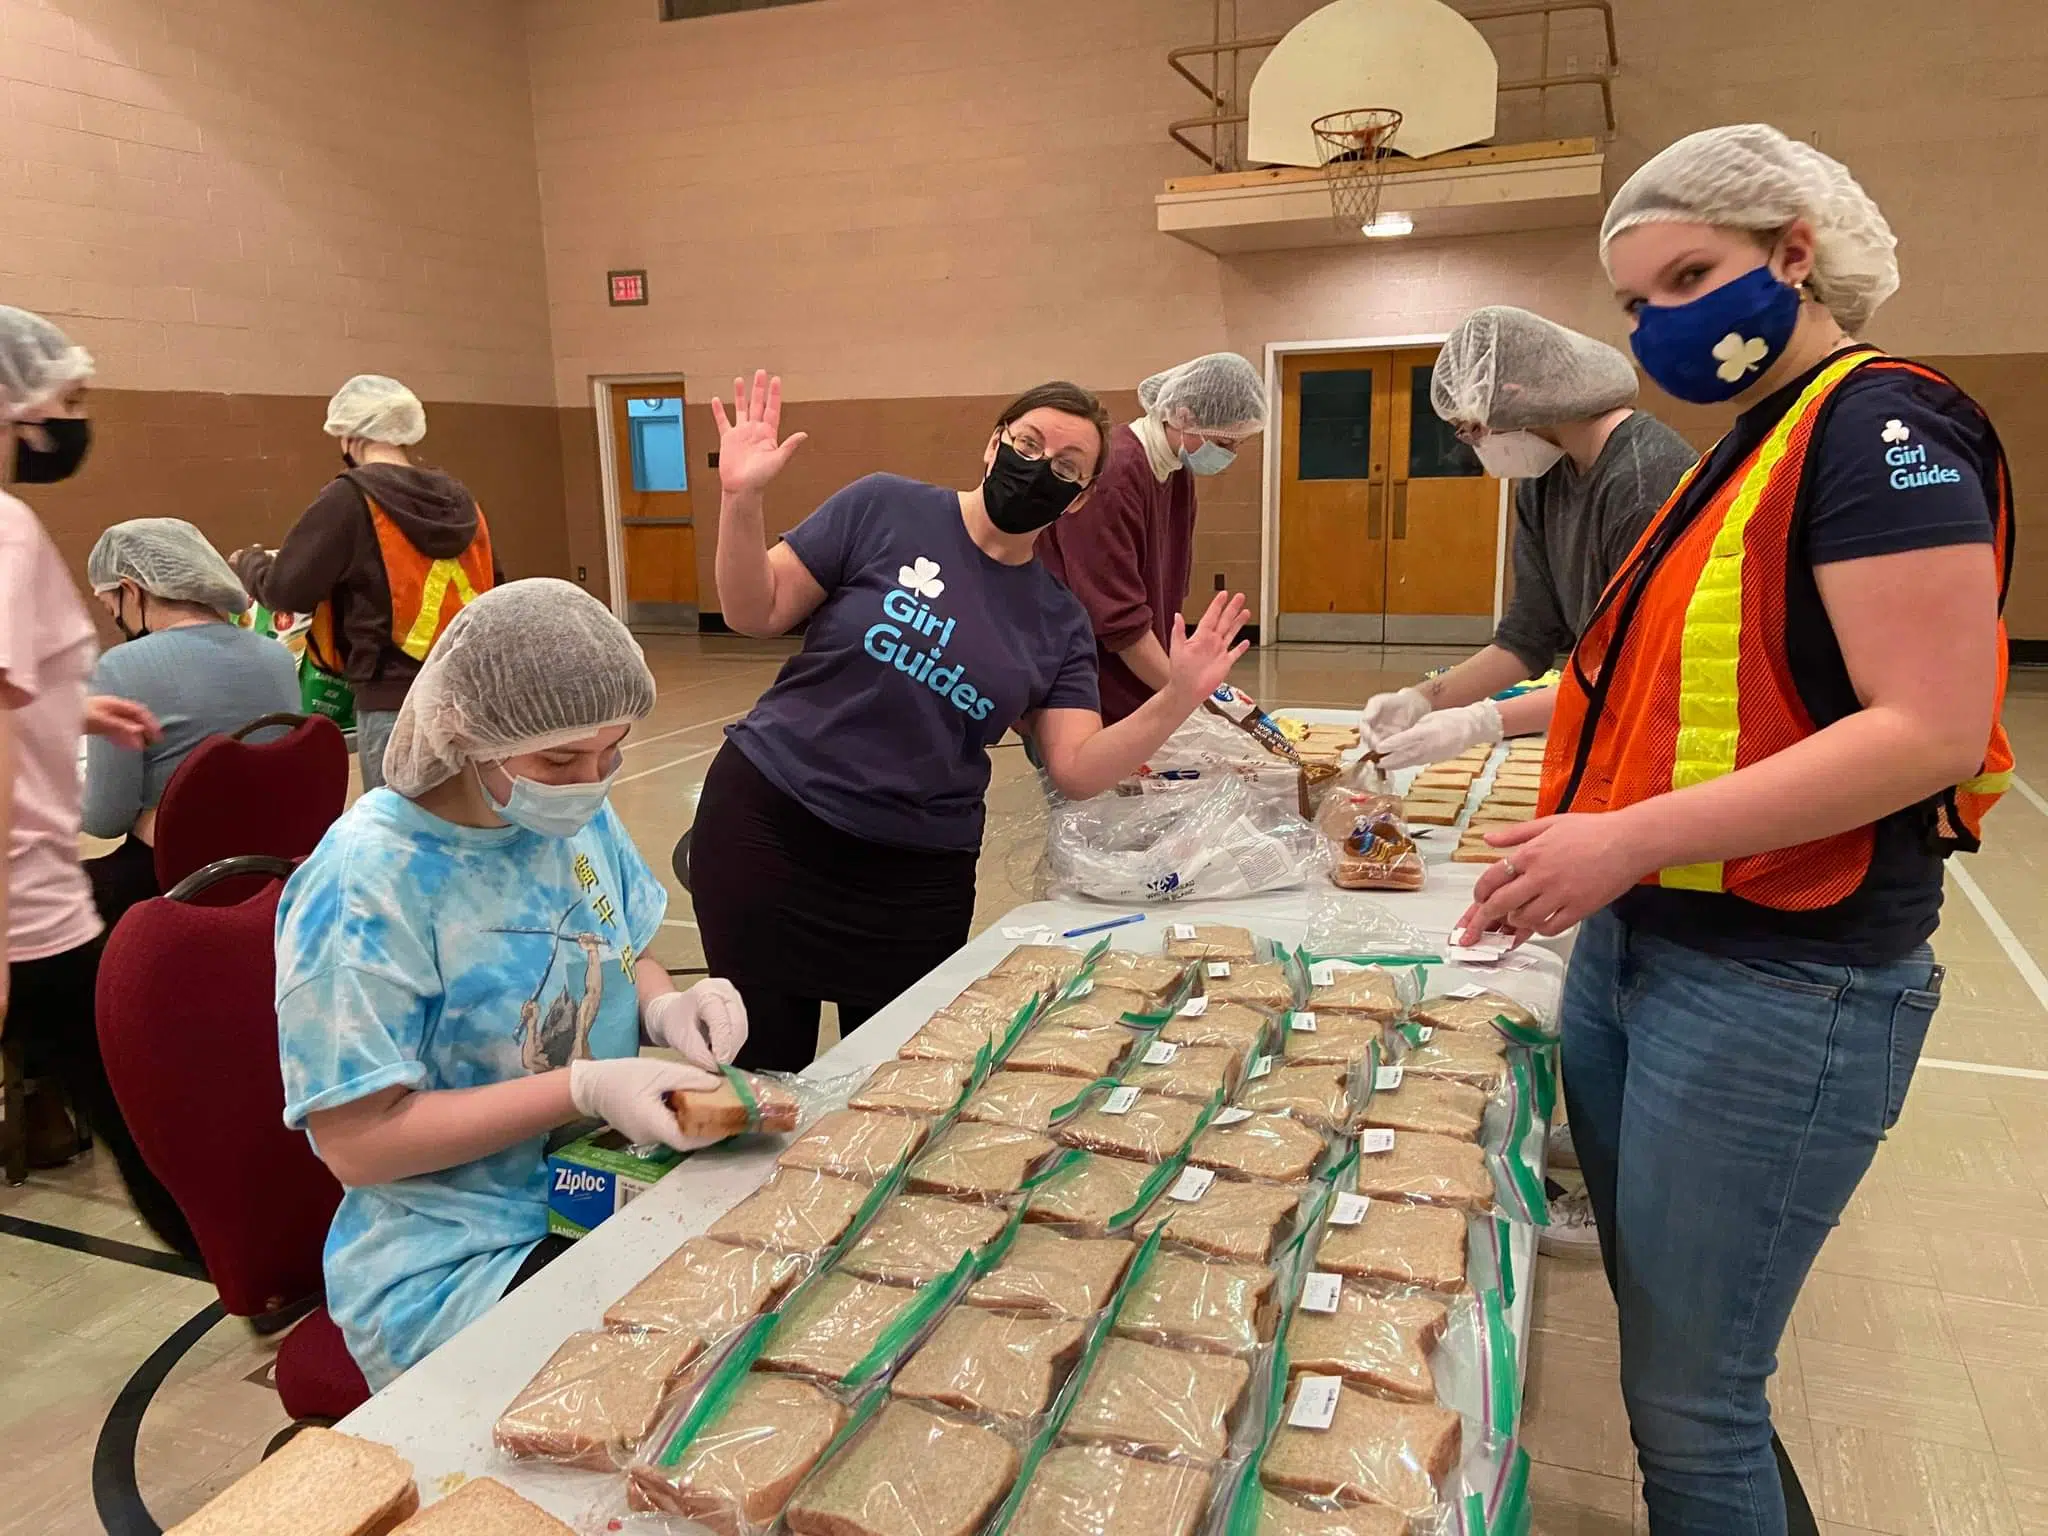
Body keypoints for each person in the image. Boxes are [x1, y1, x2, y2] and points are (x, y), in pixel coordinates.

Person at [1458, 124, 2012, 1535]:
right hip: (1655, 947)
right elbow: (1637, 677)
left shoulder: (1883, 424)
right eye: (1639, 304)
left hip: (1783, 976)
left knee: (1693, 1409)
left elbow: (1928, 728)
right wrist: (1479, 739)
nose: (1661, 323)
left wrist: (1626, 839)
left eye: (1693, 275)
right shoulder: (1743, 453)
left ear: (1794, 253)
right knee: (1677, 1366)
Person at [689, 371, 1250, 1071]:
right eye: (1027, 442)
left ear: (1077, 501)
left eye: (1067, 468)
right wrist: (741, 500)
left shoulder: (1058, 619)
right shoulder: (882, 506)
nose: (1038, 467)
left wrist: (1178, 697)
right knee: (763, 1074)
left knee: (893, 1085)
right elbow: (754, 610)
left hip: (915, 876)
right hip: (770, 827)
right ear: (992, 445)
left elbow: (1076, 767)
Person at [276, 579, 748, 1389]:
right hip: (458, 1257)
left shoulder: (570, 815)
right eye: (560, 759)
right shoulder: (369, 883)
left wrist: (667, 1006)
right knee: (687, 1374)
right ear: (468, 734)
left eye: (611, 753)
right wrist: (586, 1087)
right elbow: (357, 1141)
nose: (589, 780)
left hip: (596, 1183)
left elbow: (621, 941)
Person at [0, 307, 199, 1249]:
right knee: (142, 1116)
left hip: (31, 904)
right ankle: (257, 1274)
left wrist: (64, 707)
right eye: (65, 402)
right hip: (24, 909)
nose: (72, 425)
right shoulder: (4, 530)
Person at [1361, 307, 1697, 767]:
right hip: (1606, 708)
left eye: (1474, 429)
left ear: (1516, 397)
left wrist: (1481, 723)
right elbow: (1527, 638)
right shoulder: (1545, 478)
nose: (1477, 447)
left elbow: (1640, 673)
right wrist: (1422, 699)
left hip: (1670, 733)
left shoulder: (1644, 484)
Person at [232, 374, 499, 791]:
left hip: (393, 701)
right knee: (467, 825)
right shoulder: (461, 500)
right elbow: (497, 588)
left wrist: (249, 563)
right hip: (470, 696)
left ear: (349, 436)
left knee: (399, 835)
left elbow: (289, 592)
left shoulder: (351, 498)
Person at [80, 518, 301, 928]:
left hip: (176, 882)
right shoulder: (278, 658)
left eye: (111, 607)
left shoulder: (119, 669)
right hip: (276, 873)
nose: (114, 617)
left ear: (132, 590)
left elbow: (103, 820)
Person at [1038, 353, 1267, 724]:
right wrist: (1185, 698)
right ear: (1186, 416)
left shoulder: (1176, 472)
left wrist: (1188, 681)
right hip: (1079, 670)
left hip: (1129, 660)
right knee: (1088, 777)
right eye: (1225, 442)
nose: (1230, 455)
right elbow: (1116, 617)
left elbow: (1165, 586)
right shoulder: (1114, 472)